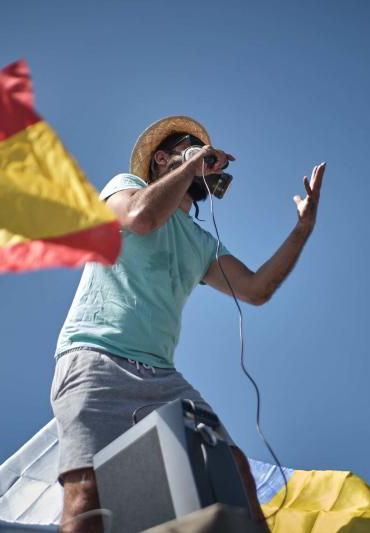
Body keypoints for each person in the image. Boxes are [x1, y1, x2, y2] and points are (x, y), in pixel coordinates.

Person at [50, 116, 325, 532]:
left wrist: (303, 229)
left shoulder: (201, 242)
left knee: (235, 474)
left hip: (163, 378)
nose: (205, 156)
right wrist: (193, 164)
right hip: (96, 361)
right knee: (87, 499)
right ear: (162, 159)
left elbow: (256, 289)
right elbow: (141, 218)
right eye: (190, 147)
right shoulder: (126, 187)